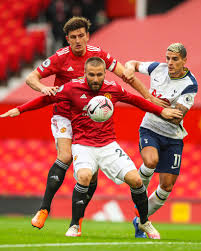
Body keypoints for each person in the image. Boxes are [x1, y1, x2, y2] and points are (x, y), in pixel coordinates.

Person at [0, 57, 183, 238]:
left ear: (105, 73)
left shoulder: (112, 88)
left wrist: (162, 110)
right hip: (82, 145)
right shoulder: (71, 88)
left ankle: (144, 222)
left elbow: (136, 100)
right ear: (85, 73)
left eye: (99, 75)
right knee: (85, 176)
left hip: (108, 144)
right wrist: (20, 109)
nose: (95, 79)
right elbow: (46, 99)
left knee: (136, 180)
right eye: (92, 75)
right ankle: (74, 225)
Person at [24, 16, 167, 230]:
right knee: (64, 156)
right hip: (64, 113)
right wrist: (43, 88)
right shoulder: (60, 57)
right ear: (67, 39)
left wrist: (148, 96)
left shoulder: (98, 55)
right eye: (73, 37)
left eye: (81, 35)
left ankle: (77, 221)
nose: (78, 40)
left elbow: (125, 75)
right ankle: (44, 209)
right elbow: (31, 78)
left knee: (90, 177)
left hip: (89, 116)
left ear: (88, 36)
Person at [125, 43, 198, 238]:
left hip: (173, 136)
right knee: (150, 162)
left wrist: (153, 105)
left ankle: (140, 219)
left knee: (166, 186)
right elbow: (131, 63)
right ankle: (138, 192)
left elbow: (177, 116)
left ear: (184, 60)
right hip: (150, 128)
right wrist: (130, 70)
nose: (170, 62)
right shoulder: (158, 68)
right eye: (168, 58)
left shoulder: (190, 84)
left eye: (175, 59)